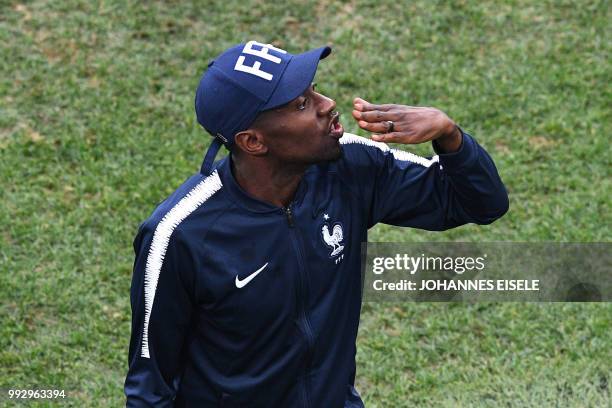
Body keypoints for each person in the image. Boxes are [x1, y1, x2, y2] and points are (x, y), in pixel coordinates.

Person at [124, 40, 509, 407]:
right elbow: (150, 385)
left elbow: (481, 203)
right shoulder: (180, 235)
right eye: (302, 103)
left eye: (315, 89)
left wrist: (450, 137)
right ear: (254, 141)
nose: (328, 105)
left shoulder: (350, 167)